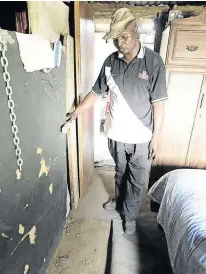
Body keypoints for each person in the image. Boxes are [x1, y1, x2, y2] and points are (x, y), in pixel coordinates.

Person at [68, 8, 168, 235]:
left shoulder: (153, 62)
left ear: (137, 31)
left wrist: (157, 138)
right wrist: (78, 111)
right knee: (120, 172)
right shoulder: (110, 62)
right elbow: (95, 92)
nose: (120, 43)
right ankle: (119, 200)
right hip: (115, 134)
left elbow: (159, 104)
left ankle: (129, 216)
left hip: (141, 137)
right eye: (115, 38)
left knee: (136, 178)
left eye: (124, 36)